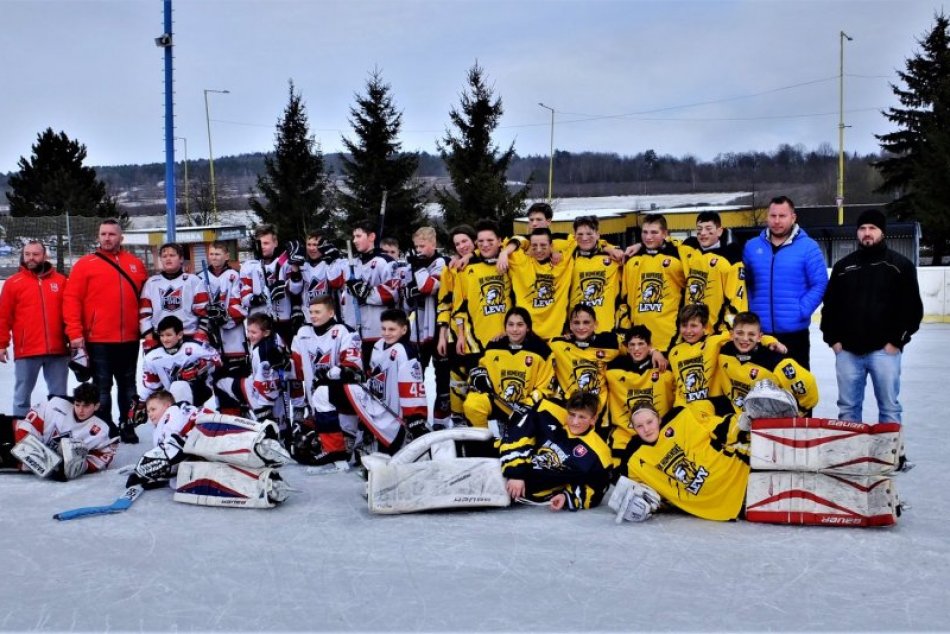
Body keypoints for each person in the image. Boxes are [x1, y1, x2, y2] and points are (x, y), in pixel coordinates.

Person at [820, 209, 923, 425]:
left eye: (872, 228)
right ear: (857, 232)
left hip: (884, 352)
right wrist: (834, 340)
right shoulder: (843, 267)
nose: (867, 233)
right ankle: (852, 457)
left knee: (889, 408)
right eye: (863, 228)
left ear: (882, 232)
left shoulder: (900, 266)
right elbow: (830, 307)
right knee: (848, 409)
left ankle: (891, 457)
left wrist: (896, 341)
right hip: (847, 352)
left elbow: (913, 309)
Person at [63, 218, 149, 443]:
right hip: (98, 338)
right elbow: (71, 300)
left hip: (129, 337)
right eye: (103, 234)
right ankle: (104, 424)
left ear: (121, 237)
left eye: (112, 234)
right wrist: (75, 332)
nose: (107, 238)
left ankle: (127, 423)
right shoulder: (85, 264)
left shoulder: (135, 264)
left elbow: (146, 300)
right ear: (98, 237)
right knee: (102, 387)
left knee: (129, 385)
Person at [742, 195, 828, 369]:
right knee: (761, 390)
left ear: (793, 217)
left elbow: (820, 283)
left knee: (795, 390)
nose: (777, 221)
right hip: (760, 335)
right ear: (767, 216)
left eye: (782, 216)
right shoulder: (752, 247)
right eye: (773, 216)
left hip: (794, 336)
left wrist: (801, 310)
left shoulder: (808, 247)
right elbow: (742, 283)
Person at [499, 392, 613, 511]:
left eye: (582, 417)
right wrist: (516, 474)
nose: (574, 422)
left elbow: (595, 489)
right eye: (572, 414)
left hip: (526, 494)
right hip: (503, 464)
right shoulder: (547, 412)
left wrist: (567, 497)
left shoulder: (599, 454)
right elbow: (518, 436)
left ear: (593, 419)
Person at [0, 240, 69, 417]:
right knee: (22, 397)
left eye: (35, 254)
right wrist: (2, 344)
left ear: (45, 256)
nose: (31, 258)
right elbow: (3, 317)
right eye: (27, 254)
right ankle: (21, 435)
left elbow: (71, 313)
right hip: (27, 349)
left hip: (58, 350)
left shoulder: (61, 281)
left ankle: (57, 434)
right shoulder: (13, 283)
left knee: (59, 399)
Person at [0, 383, 117, 479]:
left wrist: (79, 466)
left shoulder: (106, 429)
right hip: (17, 436)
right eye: (77, 404)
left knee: (7, 455)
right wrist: (48, 465)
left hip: (33, 454)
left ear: (96, 406)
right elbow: (24, 429)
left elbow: (101, 458)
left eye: (86, 406)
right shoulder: (56, 404)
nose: (80, 410)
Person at [463, 307, 554, 431]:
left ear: (528, 327)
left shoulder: (541, 351)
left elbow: (546, 388)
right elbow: (480, 370)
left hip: (526, 408)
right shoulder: (494, 346)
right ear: (505, 327)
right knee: (472, 404)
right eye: (510, 325)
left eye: (520, 325)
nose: (515, 329)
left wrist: (527, 405)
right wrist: (478, 378)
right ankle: (483, 444)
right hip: (498, 402)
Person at [719, 311, 818, 415]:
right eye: (740, 333)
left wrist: (797, 415)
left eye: (751, 334)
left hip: (769, 423)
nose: (745, 339)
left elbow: (809, 387)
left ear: (759, 337)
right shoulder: (724, 351)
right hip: (738, 418)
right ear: (731, 334)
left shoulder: (775, 362)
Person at [132, 316, 222, 428]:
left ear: (179, 335)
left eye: (169, 335)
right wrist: (141, 404)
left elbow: (218, 363)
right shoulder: (152, 357)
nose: (165, 339)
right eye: (162, 335)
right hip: (171, 396)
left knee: (179, 386)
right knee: (161, 403)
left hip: (200, 391)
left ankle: (183, 427)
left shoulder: (195, 348)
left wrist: (199, 369)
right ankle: (168, 434)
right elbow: (151, 385)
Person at [619, 213, 687, 355]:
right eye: (645, 232)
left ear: (665, 233)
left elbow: (693, 244)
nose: (648, 237)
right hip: (639, 342)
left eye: (654, 232)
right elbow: (625, 300)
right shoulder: (632, 260)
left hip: (671, 337)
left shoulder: (679, 256)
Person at [605, 325, 675, 457]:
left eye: (641, 344)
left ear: (649, 345)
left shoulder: (663, 364)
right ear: (627, 347)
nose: (636, 349)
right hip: (626, 434)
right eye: (632, 345)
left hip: (660, 432)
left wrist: (655, 352)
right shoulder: (614, 366)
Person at [336, 221, 400, 363]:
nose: (355, 241)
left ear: (371, 237)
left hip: (378, 332)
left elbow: (393, 292)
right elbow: (337, 286)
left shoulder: (385, 261)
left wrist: (367, 292)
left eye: (359, 236)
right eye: (354, 237)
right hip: (354, 333)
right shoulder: (351, 263)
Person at [366, 309, 428, 438]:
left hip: (396, 417)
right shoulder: (378, 345)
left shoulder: (405, 352)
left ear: (404, 330)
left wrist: (414, 417)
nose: (386, 333)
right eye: (383, 329)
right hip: (377, 412)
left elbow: (412, 386)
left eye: (392, 329)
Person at [681, 211, 747, 333]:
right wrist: (639, 246)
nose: (703, 233)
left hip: (716, 332)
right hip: (691, 332)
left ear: (719, 231)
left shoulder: (730, 260)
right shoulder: (689, 251)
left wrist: (733, 331)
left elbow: (737, 302)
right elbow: (662, 241)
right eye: (699, 229)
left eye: (708, 228)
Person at [139, 242, 210, 350]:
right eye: (164, 256)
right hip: (161, 339)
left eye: (172, 255)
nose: (168, 259)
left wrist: (200, 335)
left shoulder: (193, 280)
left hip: (189, 337)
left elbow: (205, 311)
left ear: (181, 259)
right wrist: (149, 338)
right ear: (160, 260)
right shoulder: (152, 282)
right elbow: (144, 314)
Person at [505, 228, 573, 340]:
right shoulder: (521, 262)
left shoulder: (562, 262)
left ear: (551, 246)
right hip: (527, 335)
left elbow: (577, 239)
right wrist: (504, 253)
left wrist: (610, 249)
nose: (538, 249)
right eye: (534, 246)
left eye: (543, 245)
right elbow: (511, 240)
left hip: (556, 336)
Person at [202, 241, 248, 377]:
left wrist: (225, 317)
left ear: (227, 256)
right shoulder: (200, 277)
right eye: (211, 254)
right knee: (214, 378)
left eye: (217, 254)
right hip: (210, 334)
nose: (214, 257)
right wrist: (209, 316)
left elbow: (241, 305)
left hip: (233, 336)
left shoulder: (235, 276)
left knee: (237, 376)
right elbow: (198, 306)